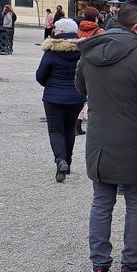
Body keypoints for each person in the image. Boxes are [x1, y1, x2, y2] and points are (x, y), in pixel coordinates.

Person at [76, 0, 137, 272]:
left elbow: (81, 88)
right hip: (134, 138)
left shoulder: (88, 51)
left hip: (100, 139)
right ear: (136, 27)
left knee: (101, 202)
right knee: (136, 200)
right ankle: (131, 266)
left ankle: (99, 267)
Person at [36, 18, 83, 182]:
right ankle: (67, 163)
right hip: (76, 96)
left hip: (53, 97)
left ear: (59, 32)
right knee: (69, 129)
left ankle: (60, 160)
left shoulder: (51, 52)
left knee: (55, 130)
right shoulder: (82, 52)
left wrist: (50, 84)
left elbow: (40, 76)